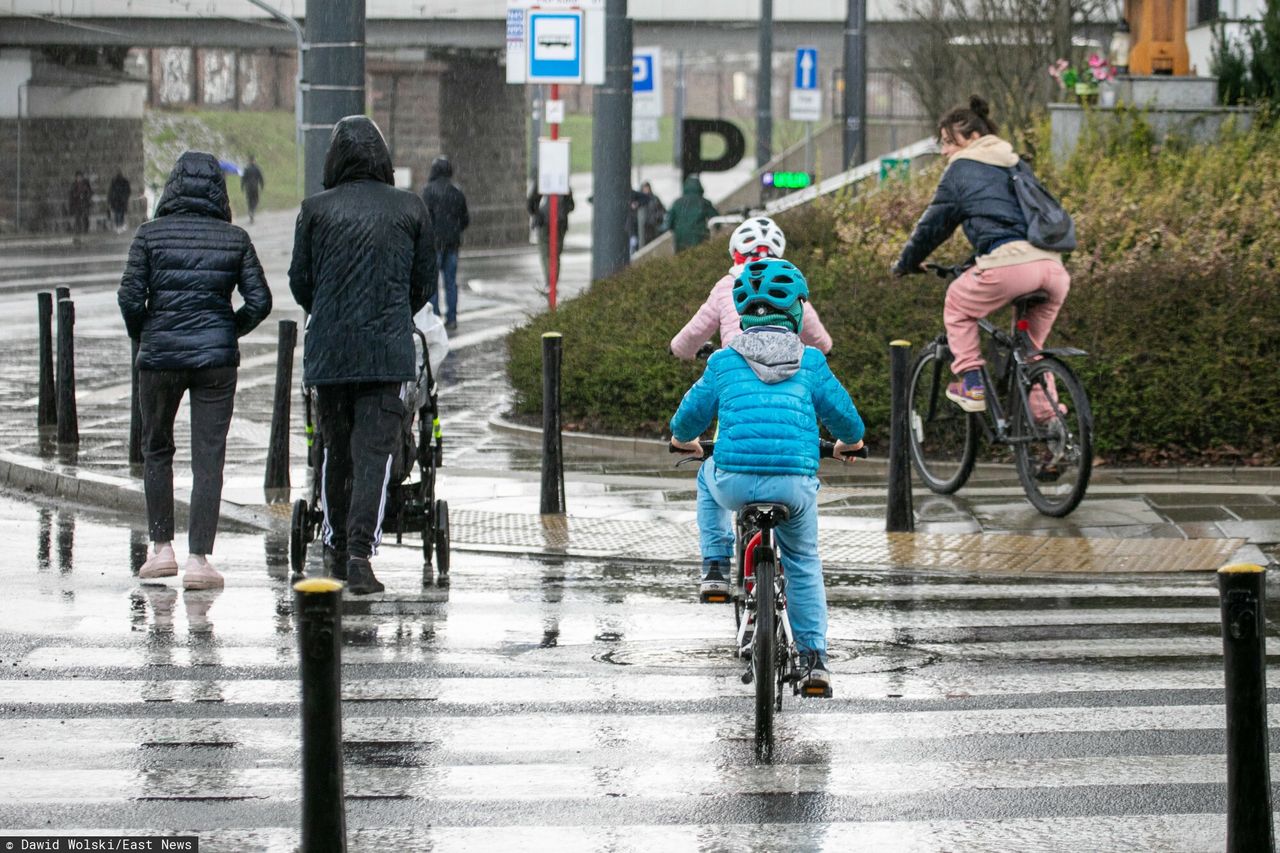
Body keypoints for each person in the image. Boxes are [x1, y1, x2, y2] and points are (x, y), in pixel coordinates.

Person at [669, 258, 865, 695]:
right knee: (803, 562)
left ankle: (716, 566)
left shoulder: (722, 361)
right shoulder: (811, 362)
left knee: (705, 476)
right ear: (796, 311)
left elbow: (686, 419)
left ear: (741, 311)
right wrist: (849, 444)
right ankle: (814, 660)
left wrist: (687, 442)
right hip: (794, 486)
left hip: (734, 480)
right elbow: (849, 422)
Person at [289, 116, 436, 596]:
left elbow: (300, 282)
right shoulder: (410, 209)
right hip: (385, 352)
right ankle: (358, 557)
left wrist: (332, 311)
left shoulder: (314, 210)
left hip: (330, 353)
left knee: (335, 451)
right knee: (373, 454)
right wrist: (390, 311)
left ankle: (332, 547)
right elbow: (423, 285)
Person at [118, 151, 272, 590]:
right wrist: (226, 331)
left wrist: (146, 332)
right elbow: (260, 301)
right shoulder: (234, 238)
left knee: (157, 449)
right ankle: (199, 560)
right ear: (219, 191)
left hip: (160, 358)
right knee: (209, 457)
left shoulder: (149, 236)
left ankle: (161, 549)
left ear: (172, 186)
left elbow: (129, 299)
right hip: (215, 363)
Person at [892, 96, 1070, 420]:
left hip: (1011, 266)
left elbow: (934, 225)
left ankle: (972, 382)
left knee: (958, 302)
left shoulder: (962, 169)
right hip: (1052, 267)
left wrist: (905, 263)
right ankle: (1051, 429)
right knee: (1031, 354)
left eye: (948, 142)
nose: (945, 151)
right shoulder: (1015, 163)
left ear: (973, 138)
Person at [670, 217, 832, 359]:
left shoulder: (726, 286)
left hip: (736, 366)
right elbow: (811, 327)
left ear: (735, 252)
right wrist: (825, 348)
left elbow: (698, 328)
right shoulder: (786, 283)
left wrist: (679, 349)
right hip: (784, 367)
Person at [421, 156, 470, 331]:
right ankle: (452, 318)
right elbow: (465, 219)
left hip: (434, 245)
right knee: (451, 282)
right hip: (452, 244)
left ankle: (434, 318)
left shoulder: (428, 192)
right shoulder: (457, 192)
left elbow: (423, 220)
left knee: (432, 284)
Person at [527, 186, 574, 290]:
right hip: (560, 222)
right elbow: (571, 206)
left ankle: (550, 283)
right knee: (555, 254)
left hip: (544, 222)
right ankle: (553, 283)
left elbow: (531, 203)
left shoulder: (542, 181)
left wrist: (537, 213)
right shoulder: (563, 183)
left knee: (546, 253)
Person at [664, 175, 718, 252]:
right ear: (700, 188)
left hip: (681, 238)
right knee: (698, 258)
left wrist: (677, 229)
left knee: (682, 259)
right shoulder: (704, 202)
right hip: (699, 236)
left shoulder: (677, 203)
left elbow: (669, 222)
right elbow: (715, 218)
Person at [628, 181, 666, 253]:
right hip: (640, 226)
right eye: (644, 188)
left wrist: (656, 218)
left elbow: (662, 210)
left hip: (652, 226)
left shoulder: (654, 199)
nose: (646, 190)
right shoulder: (638, 199)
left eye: (647, 188)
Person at [241, 155, 265, 224]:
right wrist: (262, 185)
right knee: (256, 200)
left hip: (248, 187)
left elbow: (243, 179)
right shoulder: (257, 168)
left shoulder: (246, 168)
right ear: (254, 160)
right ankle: (253, 211)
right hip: (255, 187)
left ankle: (250, 211)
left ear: (249, 160)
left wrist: (242, 187)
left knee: (249, 200)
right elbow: (261, 178)